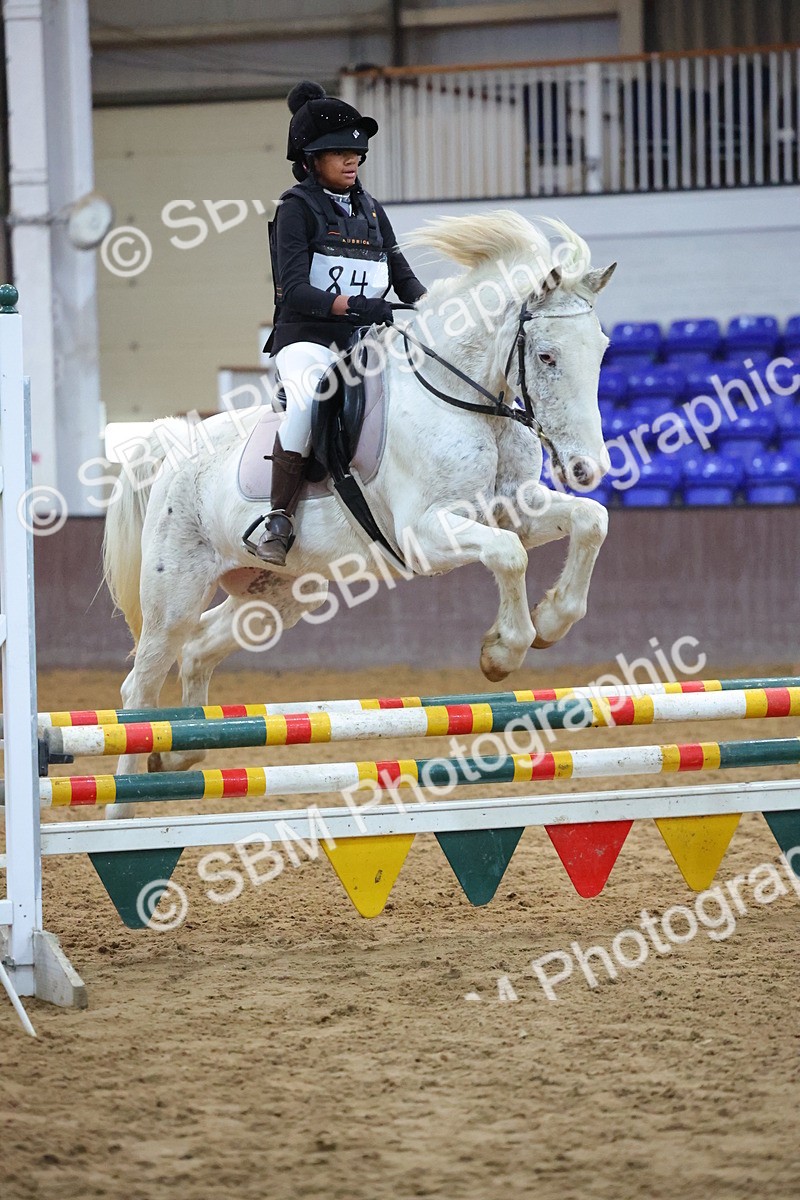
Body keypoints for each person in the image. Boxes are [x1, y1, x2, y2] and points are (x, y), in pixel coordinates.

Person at [246, 79, 427, 566]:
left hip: (363, 343)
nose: (353, 160)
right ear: (310, 160)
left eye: (358, 153)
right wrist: (359, 307)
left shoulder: (371, 211)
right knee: (307, 403)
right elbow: (297, 291)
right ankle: (278, 518)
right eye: (340, 153)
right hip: (307, 341)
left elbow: (402, 275)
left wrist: (435, 308)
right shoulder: (296, 210)